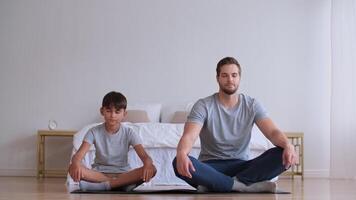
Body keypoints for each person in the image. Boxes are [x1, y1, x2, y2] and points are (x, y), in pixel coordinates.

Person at [172, 57, 297, 193]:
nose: (230, 80)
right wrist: (182, 153)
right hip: (211, 166)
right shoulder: (203, 105)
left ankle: (218, 184)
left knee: (281, 153)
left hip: (243, 166)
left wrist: (288, 145)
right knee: (177, 161)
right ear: (218, 78)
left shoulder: (252, 105)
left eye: (234, 75)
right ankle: (242, 186)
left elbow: (272, 132)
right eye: (225, 75)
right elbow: (189, 136)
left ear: (239, 78)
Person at [68, 91, 156, 191]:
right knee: (72, 168)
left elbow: (145, 156)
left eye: (117, 112)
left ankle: (105, 186)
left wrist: (148, 164)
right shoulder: (93, 132)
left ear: (124, 114)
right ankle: (120, 185)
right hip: (99, 174)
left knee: (152, 169)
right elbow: (78, 156)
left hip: (123, 174)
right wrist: (76, 163)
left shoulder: (129, 133)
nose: (113, 115)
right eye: (109, 111)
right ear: (102, 111)